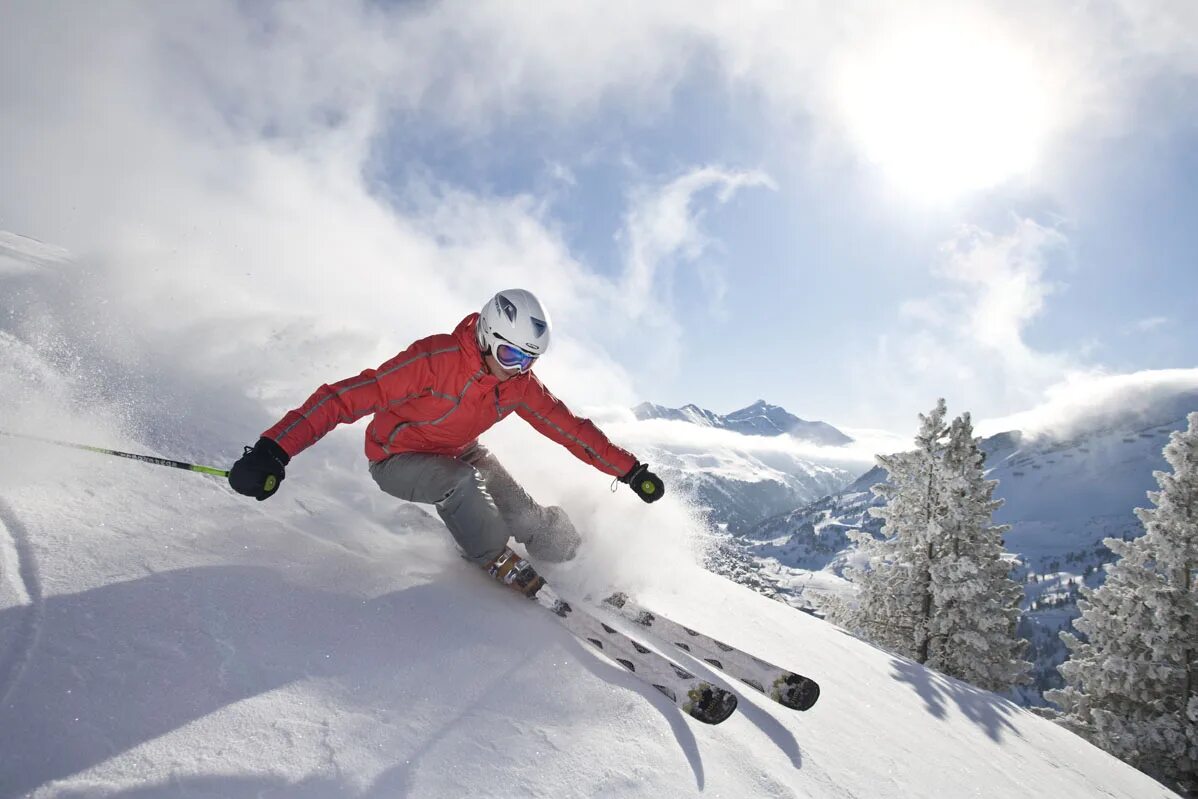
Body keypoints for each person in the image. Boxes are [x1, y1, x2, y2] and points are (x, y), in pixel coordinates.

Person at [228, 289, 664, 574]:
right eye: (512, 354)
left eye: (529, 360)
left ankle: (568, 550)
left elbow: (570, 429)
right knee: (461, 484)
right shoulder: (433, 360)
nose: (519, 368)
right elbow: (344, 397)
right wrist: (273, 450)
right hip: (395, 458)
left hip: (460, 450)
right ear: (488, 336)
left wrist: (629, 471)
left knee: (525, 515)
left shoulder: (517, 385)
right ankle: (492, 557)